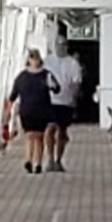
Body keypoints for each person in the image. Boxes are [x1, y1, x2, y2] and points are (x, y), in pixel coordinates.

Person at [9, 49, 60, 173]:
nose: (34, 60)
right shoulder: (45, 74)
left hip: (31, 109)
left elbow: (13, 95)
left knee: (32, 136)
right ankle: (35, 162)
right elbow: (57, 89)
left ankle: (31, 161)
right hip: (37, 109)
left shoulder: (22, 77)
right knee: (35, 136)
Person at [43, 35, 83, 172]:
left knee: (62, 130)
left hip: (66, 101)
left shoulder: (72, 63)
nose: (61, 47)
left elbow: (76, 83)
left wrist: (74, 99)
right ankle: (49, 158)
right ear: (54, 46)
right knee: (50, 128)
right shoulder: (47, 61)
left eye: (64, 44)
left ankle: (58, 159)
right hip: (49, 101)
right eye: (58, 44)